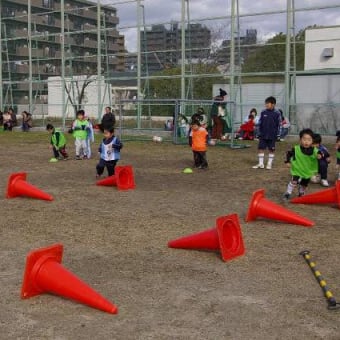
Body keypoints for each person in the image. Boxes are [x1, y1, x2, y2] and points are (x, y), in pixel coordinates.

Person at [283, 128, 321, 200]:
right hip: (297, 169)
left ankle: (301, 192)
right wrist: (287, 161)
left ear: (312, 141)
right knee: (294, 181)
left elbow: (319, 153)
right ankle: (288, 193)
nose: (306, 142)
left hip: (308, 171)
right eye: (304, 139)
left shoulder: (314, 150)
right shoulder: (296, 148)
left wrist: (319, 155)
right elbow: (288, 154)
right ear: (300, 140)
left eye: (309, 140)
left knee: (304, 184)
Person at [252, 96, 281, 170]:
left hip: (272, 135)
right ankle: (261, 164)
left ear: (273, 104)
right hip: (263, 134)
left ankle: (269, 164)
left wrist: (278, 135)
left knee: (271, 149)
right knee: (261, 148)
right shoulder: (263, 112)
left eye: (268, 103)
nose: (266, 105)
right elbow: (260, 123)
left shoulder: (277, 113)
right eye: (266, 104)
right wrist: (258, 130)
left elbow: (279, 125)